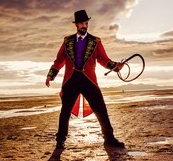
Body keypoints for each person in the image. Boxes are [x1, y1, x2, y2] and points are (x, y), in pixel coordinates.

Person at [46, 9, 125, 149]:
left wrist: (115, 66)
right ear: (76, 25)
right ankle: (60, 140)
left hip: (89, 79)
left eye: (86, 23)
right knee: (65, 111)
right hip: (71, 79)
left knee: (101, 108)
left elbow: (103, 59)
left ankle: (109, 139)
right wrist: (50, 75)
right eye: (81, 23)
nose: (84, 26)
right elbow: (59, 60)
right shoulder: (67, 41)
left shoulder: (95, 41)